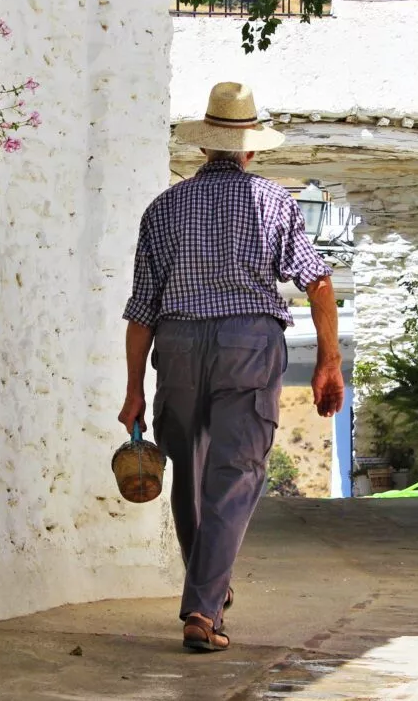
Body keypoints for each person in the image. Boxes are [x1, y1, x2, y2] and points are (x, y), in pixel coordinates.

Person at [118, 81, 345, 652]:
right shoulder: (273, 201)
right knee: (236, 473)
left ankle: (207, 592)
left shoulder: (163, 208)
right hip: (249, 341)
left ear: (203, 146)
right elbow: (316, 282)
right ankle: (203, 607)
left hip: (177, 347)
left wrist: (133, 391)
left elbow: (142, 309)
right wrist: (329, 361)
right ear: (249, 149)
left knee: (189, 477)